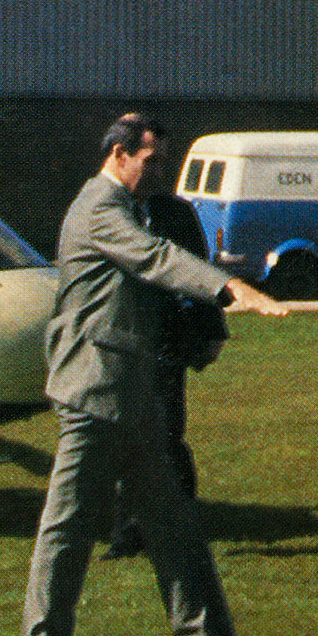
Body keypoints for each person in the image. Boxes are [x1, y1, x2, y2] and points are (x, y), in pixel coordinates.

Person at [18, 113, 289, 636]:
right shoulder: (100, 207)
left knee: (173, 522)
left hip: (132, 391)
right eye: (152, 160)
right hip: (94, 388)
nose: (159, 172)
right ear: (119, 154)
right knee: (66, 529)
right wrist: (230, 288)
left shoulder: (129, 206)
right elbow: (156, 259)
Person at [106, 183, 229, 556]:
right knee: (122, 437)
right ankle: (128, 533)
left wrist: (211, 330)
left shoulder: (174, 213)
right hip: (117, 340)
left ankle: (180, 529)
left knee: (165, 435)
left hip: (164, 342)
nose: (154, 170)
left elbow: (197, 269)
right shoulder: (106, 211)